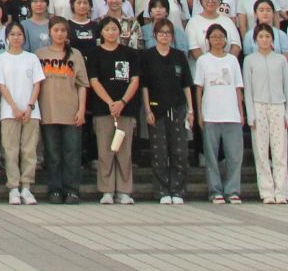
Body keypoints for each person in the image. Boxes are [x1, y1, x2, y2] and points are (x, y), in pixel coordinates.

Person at [136, 19, 192, 204]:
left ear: (173, 36)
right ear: (155, 35)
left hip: (178, 107)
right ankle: (162, 191)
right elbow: (144, 85)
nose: (165, 36)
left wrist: (191, 110)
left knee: (179, 152)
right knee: (159, 152)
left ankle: (178, 190)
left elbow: (186, 84)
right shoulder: (148, 56)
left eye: (168, 33)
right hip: (156, 108)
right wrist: (147, 110)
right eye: (161, 32)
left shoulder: (179, 56)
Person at [35, 17, 89, 204]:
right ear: (50, 32)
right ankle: (55, 189)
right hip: (48, 111)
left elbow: (82, 85)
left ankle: (72, 189)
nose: (59, 34)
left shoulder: (75, 54)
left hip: (71, 111)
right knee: (53, 154)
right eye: (56, 30)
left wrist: (81, 109)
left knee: (72, 153)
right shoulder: (40, 54)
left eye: (63, 30)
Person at [87, 15, 139, 204]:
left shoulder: (130, 53)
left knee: (124, 152)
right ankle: (107, 190)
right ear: (101, 32)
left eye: (114, 29)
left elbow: (135, 80)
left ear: (120, 31)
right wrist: (110, 103)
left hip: (126, 108)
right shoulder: (95, 53)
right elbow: (94, 81)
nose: (111, 32)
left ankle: (124, 191)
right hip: (103, 109)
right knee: (105, 151)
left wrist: (122, 102)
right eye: (107, 29)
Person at [193, 24, 246, 204]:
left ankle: (232, 190)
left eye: (221, 37)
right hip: (211, 114)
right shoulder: (203, 60)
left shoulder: (232, 60)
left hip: (231, 114)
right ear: (208, 39)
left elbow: (238, 88)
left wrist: (241, 112)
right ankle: (215, 190)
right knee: (211, 156)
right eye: (214, 37)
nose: (218, 40)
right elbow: (199, 89)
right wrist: (199, 113)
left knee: (234, 156)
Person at [0, 21, 42, 205]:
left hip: (31, 112)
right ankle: (13, 187)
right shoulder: (0, 59)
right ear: (7, 37)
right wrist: (13, 106)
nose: (16, 37)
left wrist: (29, 106)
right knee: (10, 150)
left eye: (19, 34)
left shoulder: (32, 58)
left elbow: (37, 83)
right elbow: (1, 84)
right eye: (12, 34)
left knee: (29, 150)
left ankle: (26, 187)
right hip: (9, 111)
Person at [243, 21, 288, 204]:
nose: (264, 40)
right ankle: (266, 191)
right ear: (255, 39)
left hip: (278, 106)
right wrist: (250, 114)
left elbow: (287, 87)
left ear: (273, 39)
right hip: (258, 106)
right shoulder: (249, 60)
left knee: (280, 151)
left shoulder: (280, 60)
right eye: (260, 36)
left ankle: (281, 191)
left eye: (267, 36)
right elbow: (248, 90)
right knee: (261, 151)